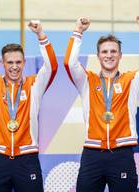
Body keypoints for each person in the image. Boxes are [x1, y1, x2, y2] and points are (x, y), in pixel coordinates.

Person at [0, 17, 58, 192]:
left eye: (18, 62)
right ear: (2, 63)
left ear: (24, 63)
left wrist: (41, 35)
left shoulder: (34, 85)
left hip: (27, 158)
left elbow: (51, 67)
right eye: (10, 62)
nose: (14, 67)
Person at [64, 17, 138, 192]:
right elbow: (70, 63)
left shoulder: (132, 80)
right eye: (104, 52)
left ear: (120, 55)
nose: (109, 55)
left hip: (122, 153)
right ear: (98, 56)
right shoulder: (87, 80)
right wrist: (78, 31)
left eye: (113, 51)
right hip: (92, 154)